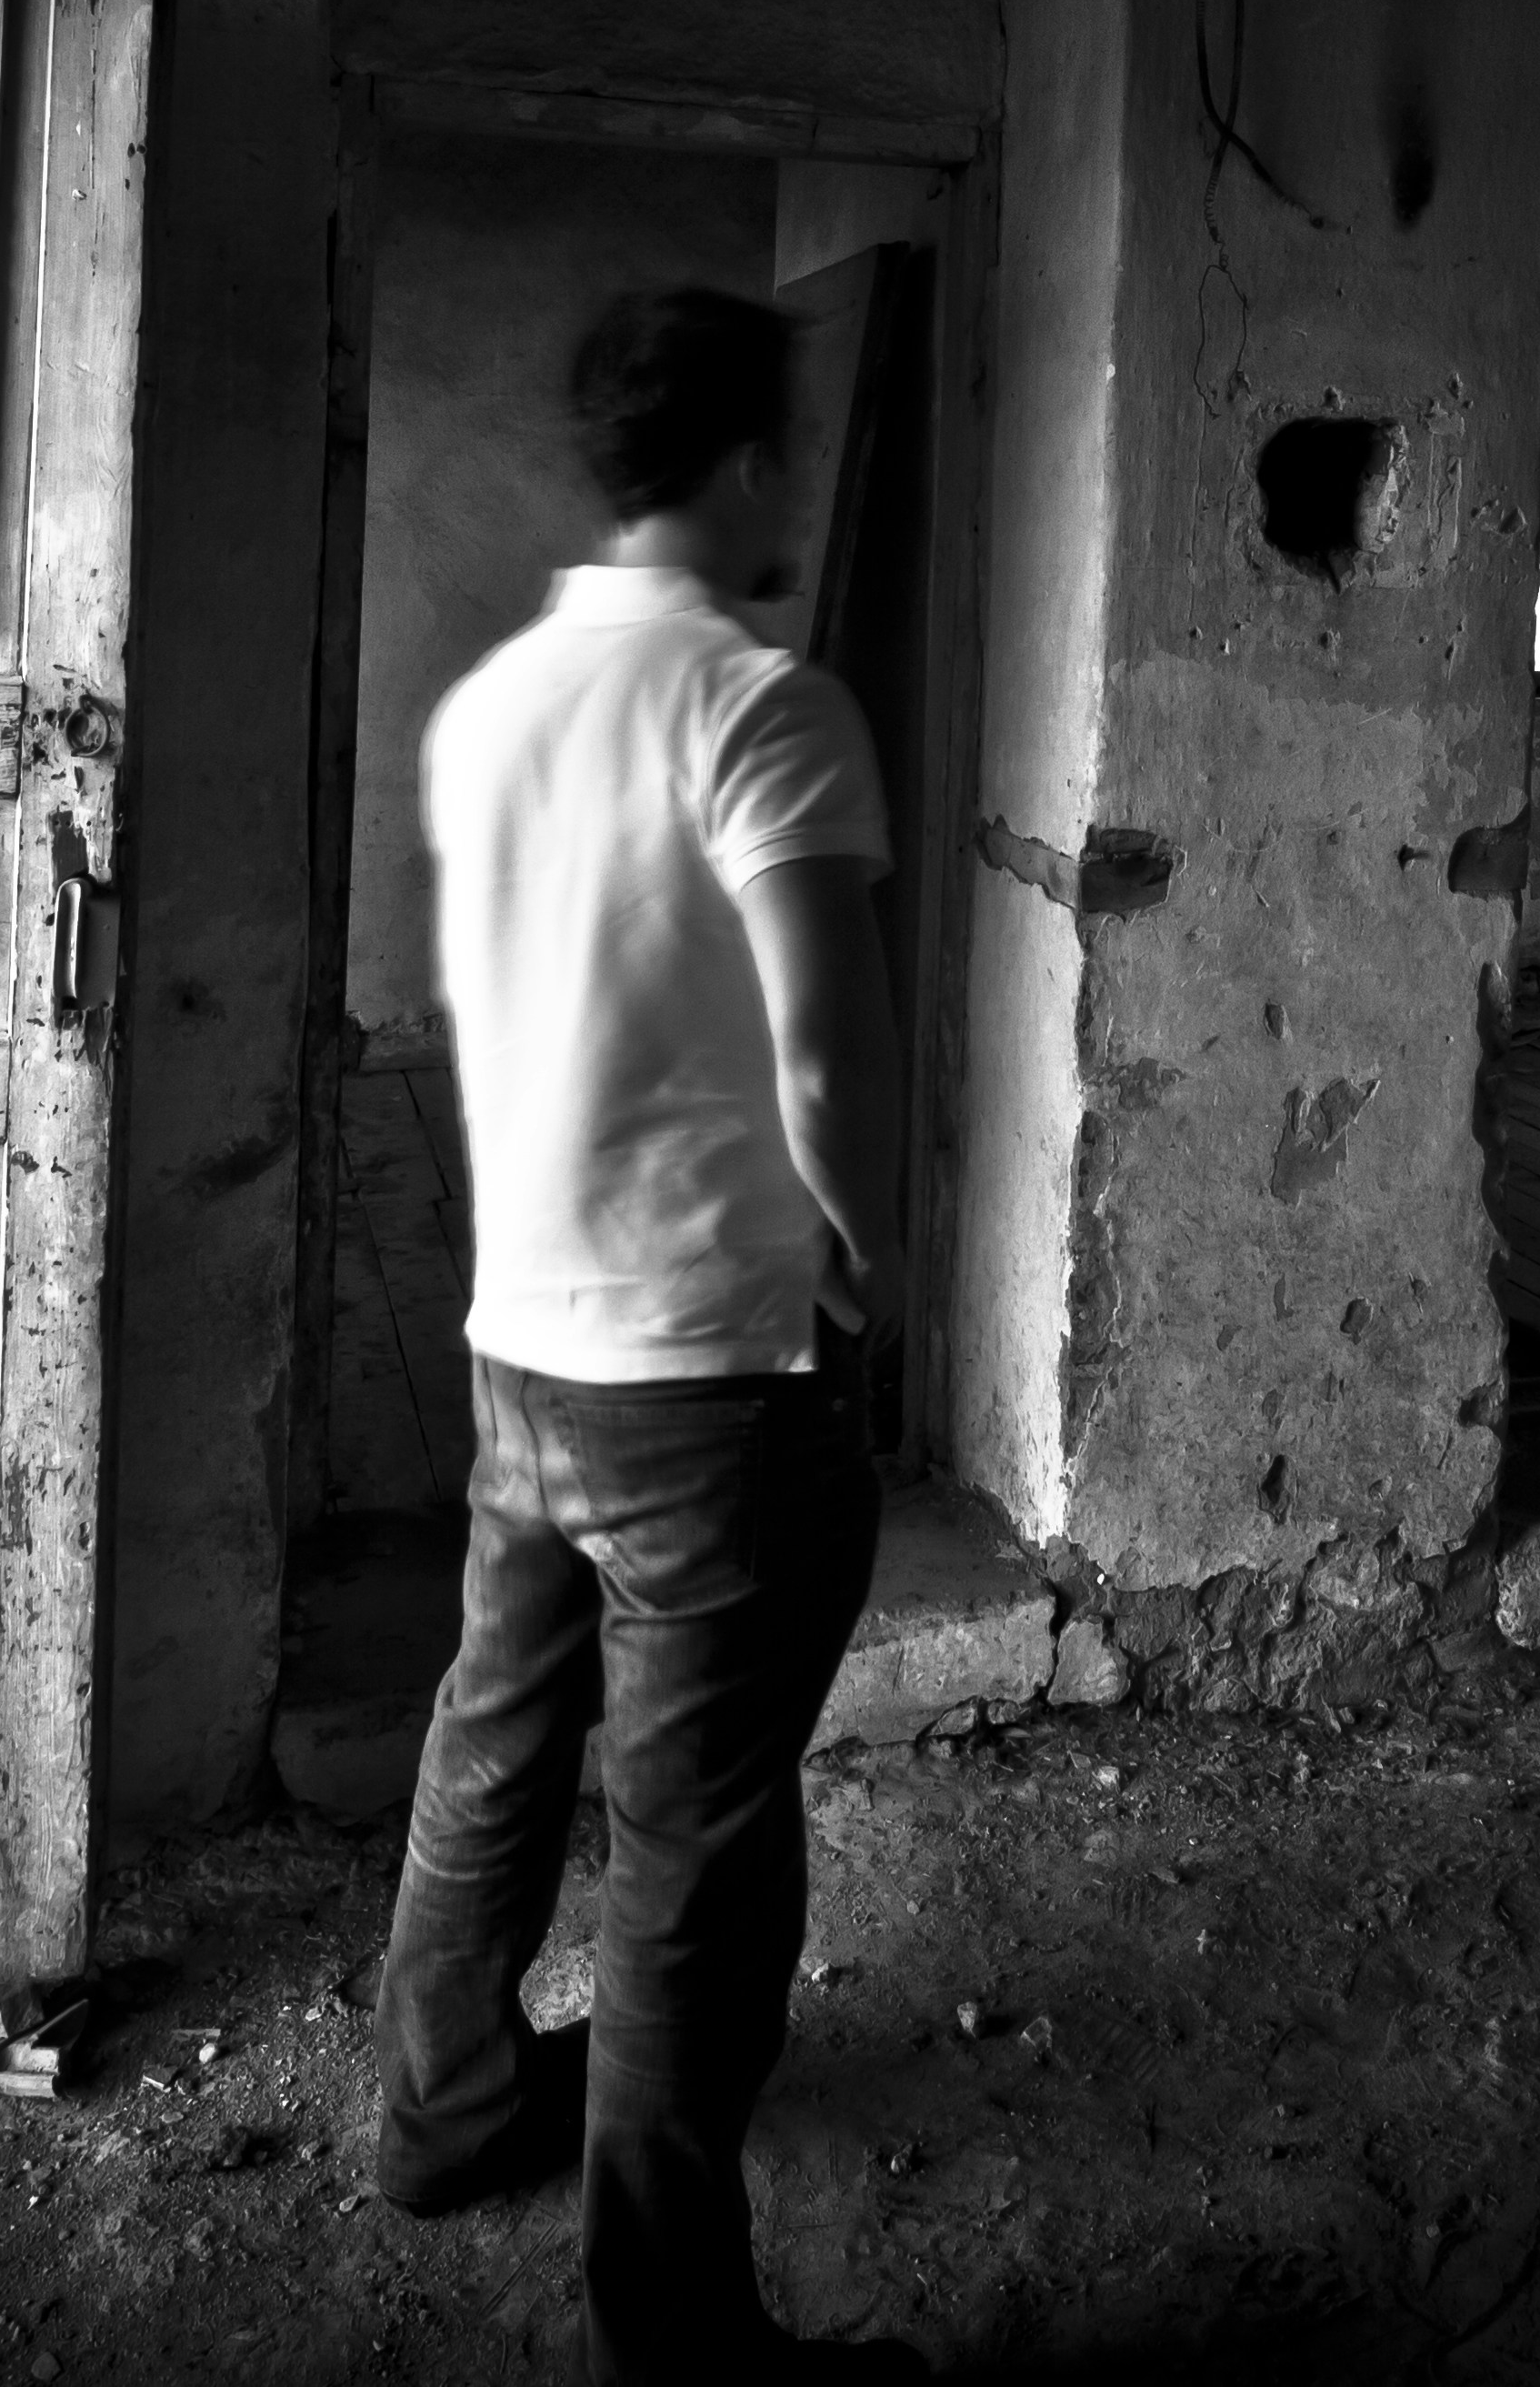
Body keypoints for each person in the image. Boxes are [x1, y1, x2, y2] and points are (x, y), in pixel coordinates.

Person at [366, 286, 929, 2383]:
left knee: (496, 1742)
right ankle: (679, 2345)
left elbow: (478, 1016)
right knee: (694, 1856)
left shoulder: (491, 707)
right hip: (711, 1375)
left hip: (524, 1344)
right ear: (751, 461)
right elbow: (826, 1058)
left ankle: (437, 2114)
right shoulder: (760, 709)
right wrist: (872, 1248)